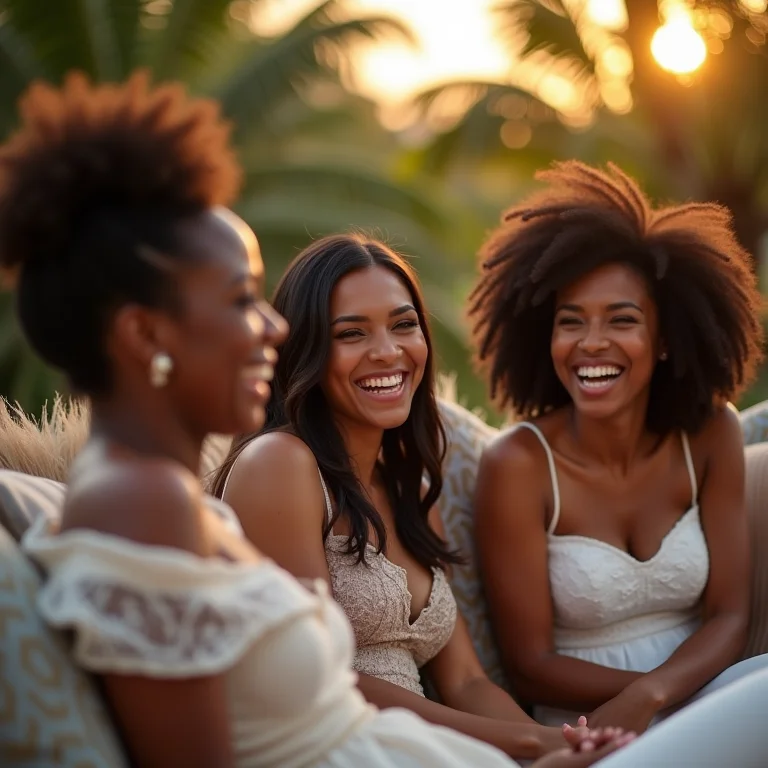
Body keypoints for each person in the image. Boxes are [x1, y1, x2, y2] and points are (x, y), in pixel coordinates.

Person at [3, 71, 629, 768]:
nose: (272, 326)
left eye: (402, 324)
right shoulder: (144, 502)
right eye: (242, 298)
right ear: (146, 336)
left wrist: (546, 749)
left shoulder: (165, 497)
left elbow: (455, 685)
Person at [212, 233, 601, 760]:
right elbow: (323, 677)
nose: (388, 352)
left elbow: (465, 681)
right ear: (307, 352)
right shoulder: (280, 464)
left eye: (404, 325)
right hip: (342, 749)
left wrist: (560, 748)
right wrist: (532, 740)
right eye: (351, 334)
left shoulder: (409, 486)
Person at [468, 160, 768, 733]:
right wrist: (639, 703)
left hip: (706, 695)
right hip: (590, 725)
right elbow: (529, 667)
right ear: (545, 336)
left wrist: (659, 693)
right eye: (571, 322)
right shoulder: (518, 465)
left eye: (621, 320)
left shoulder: (710, 434)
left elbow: (730, 616)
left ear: (662, 341)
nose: (592, 343)